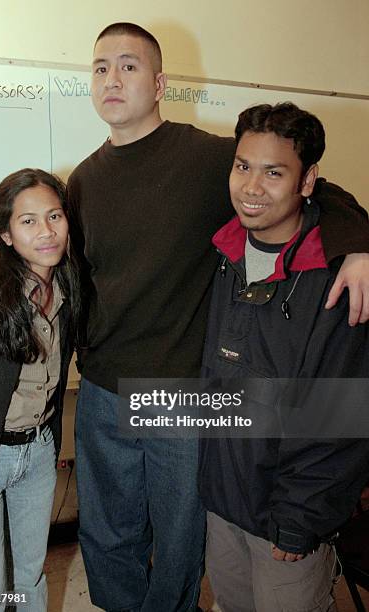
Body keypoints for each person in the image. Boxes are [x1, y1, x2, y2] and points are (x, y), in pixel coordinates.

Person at [67, 22, 369, 612]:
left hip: (182, 391)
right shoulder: (83, 178)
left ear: (159, 84)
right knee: (107, 534)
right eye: (101, 66)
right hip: (104, 387)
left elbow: (310, 186)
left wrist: (359, 243)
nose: (111, 78)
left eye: (128, 66)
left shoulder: (210, 159)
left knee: (182, 540)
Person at [198, 103, 369, 612]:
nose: (252, 187)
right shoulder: (223, 252)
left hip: (286, 522)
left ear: (308, 179)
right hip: (223, 502)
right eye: (243, 166)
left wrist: (298, 522)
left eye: (274, 172)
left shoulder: (338, 279)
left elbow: (340, 419)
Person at [0, 168, 80, 612]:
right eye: (28, 221)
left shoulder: (68, 290)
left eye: (54, 216)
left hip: (39, 454)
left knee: (29, 575)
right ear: (6, 234)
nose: (47, 232)